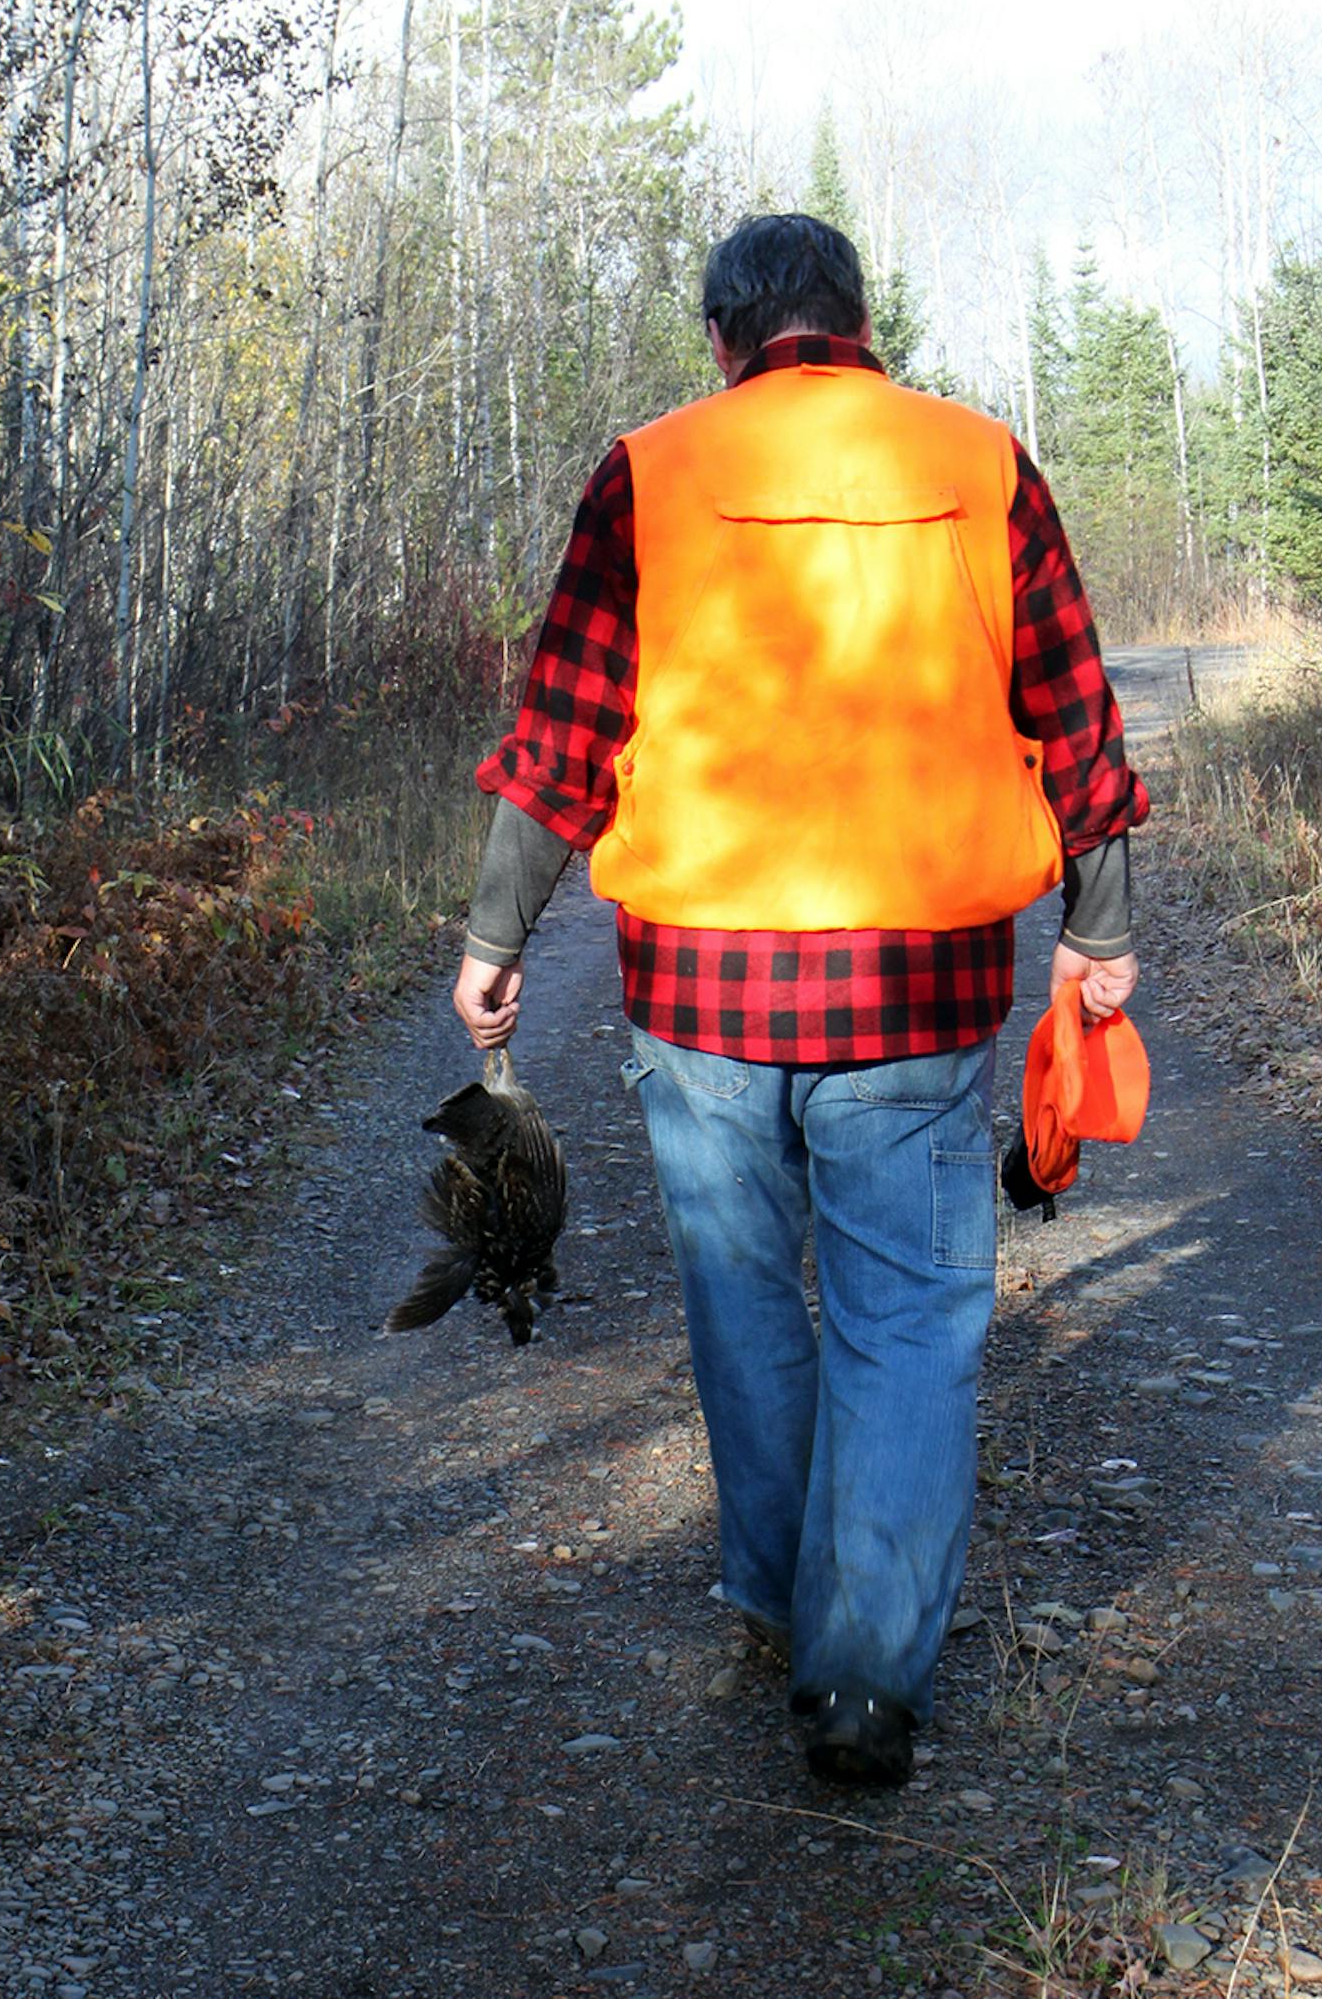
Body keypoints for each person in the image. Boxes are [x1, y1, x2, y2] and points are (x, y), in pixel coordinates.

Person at [451, 213, 1145, 1788]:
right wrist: (1099, 929)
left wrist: (499, 932)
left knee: (744, 1295)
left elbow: (566, 726)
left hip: (699, 988)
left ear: (723, 339)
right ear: (861, 323)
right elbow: (1073, 713)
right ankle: (863, 1680)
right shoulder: (979, 463)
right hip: (918, 981)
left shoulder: (654, 469)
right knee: (909, 1317)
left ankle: (776, 1596)